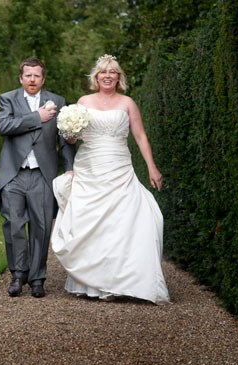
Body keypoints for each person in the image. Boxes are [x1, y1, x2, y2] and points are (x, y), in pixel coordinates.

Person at [51, 54, 170, 304]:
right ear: (96, 77)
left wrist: (152, 167)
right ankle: (92, 282)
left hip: (119, 167)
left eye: (112, 72)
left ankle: (122, 281)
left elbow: (140, 137)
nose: (107, 76)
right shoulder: (83, 101)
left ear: (119, 77)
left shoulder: (128, 103)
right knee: (91, 221)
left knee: (125, 221)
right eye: (103, 72)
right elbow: (72, 139)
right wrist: (69, 133)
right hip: (89, 168)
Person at [0, 57, 76, 298]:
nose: (32, 79)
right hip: (14, 174)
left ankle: (37, 278)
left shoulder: (58, 102)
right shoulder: (7, 99)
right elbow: (5, 126)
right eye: (28, 75)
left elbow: (65, 139)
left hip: (43, 174)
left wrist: (69, 167)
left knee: (41, 226)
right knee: (15, 225)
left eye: (37, 76)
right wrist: (36, 118)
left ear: (43, 78)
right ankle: (18, 275)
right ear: (21, 78)